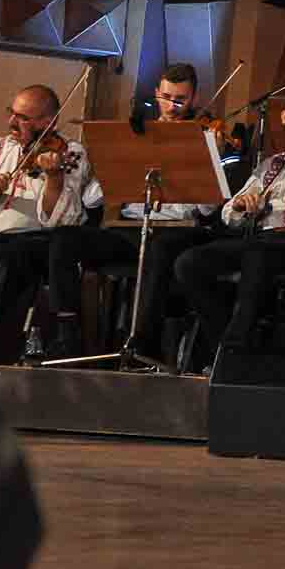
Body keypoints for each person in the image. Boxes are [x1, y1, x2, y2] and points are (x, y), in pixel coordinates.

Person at [46, 62, 215, 359]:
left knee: (159, 250)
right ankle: (67, 334)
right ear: (156, 93)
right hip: (130, 229)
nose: (172, 107)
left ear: (195, 99)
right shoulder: (134, 136)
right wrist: (121, 163)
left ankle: (141, 345)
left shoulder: (203, 138)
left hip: (177, 232)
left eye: (181, 100)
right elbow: (91, 200)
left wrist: (199, 161)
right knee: (64, 239)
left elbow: (208, 208)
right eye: (166, 97)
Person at [172, 89, 285, 361]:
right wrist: (242, 205)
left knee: (257, 255)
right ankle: (223, 345)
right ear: (284, 117)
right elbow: (229, 214)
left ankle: (235, 353)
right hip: (265, 240)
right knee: (189, 262)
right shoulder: (271, 164)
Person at [0, 85, 103, 357]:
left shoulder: (70, 153)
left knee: (14, 255)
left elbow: (64, 220)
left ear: (49, 122)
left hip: (34, 243)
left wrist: (54, 179)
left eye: (23, 118)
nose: (12, 122)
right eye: (11, 113)